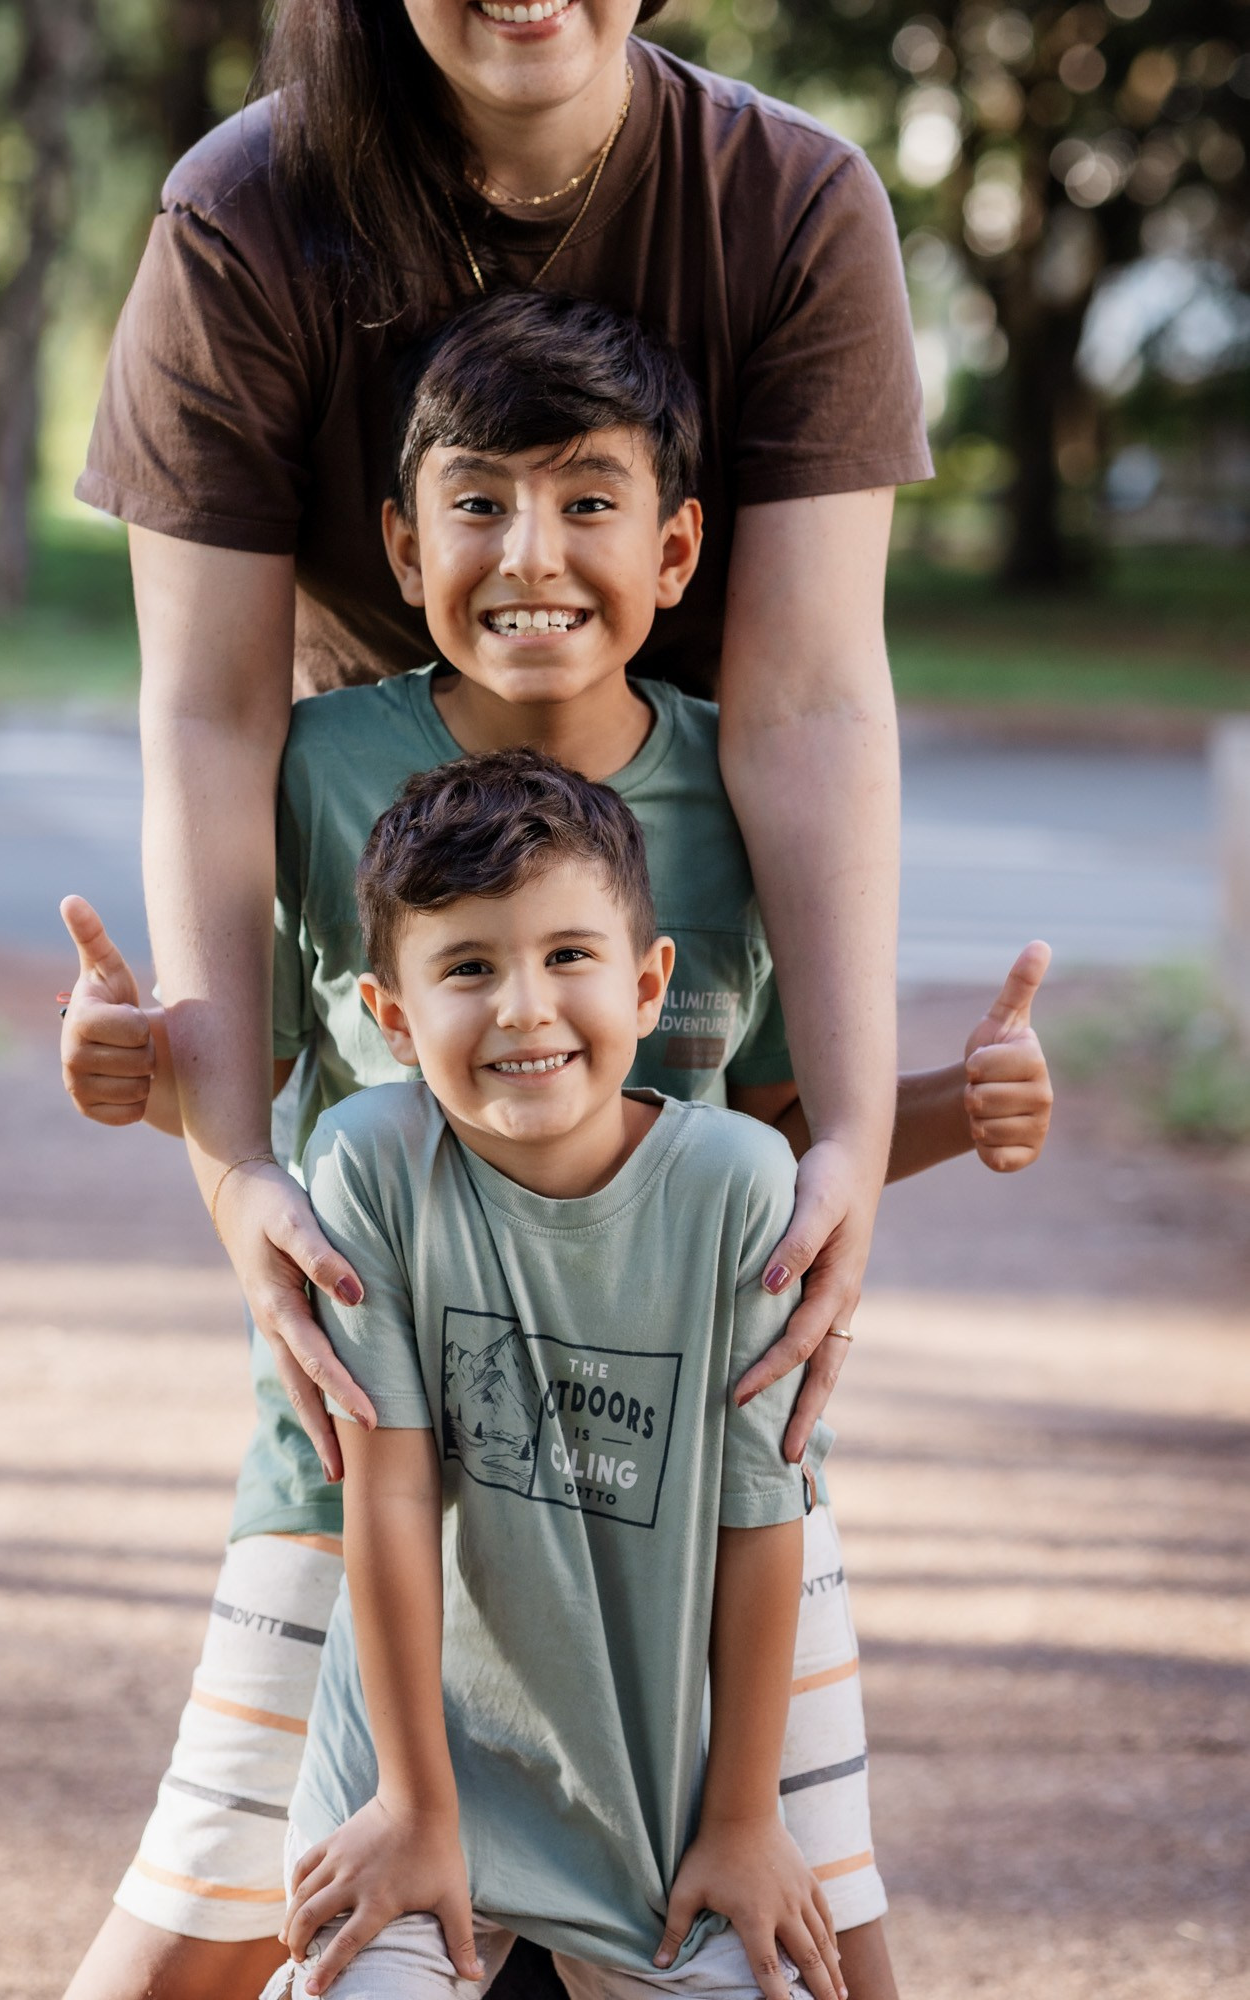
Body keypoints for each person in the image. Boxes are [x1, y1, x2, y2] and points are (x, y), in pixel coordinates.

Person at [66, 0, 935, 2000]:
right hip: (415, 1004)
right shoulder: (249, 215)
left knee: (792, 1883)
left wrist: (852, 1125)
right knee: (246, 1868)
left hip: (647, 1024)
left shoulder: (786, 204)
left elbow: (815, 693)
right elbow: (209, 711)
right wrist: (236, 1164)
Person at [62, 294, 1055, 2000]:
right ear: (398, 537)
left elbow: (732, 1144)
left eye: (587, 499)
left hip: (682, 1474)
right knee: (209, 1911)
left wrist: (950, 1112)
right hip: (351, 1445)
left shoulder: (733, 796)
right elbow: (277, 1079)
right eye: (479, 501)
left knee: (818, 1924)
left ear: (674, 548)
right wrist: (133, 1067)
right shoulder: (325, 772)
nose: (533, 551)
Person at [275, 748, 850, 2000]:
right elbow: (381, 1494)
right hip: (413, 1776)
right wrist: (416, 1806)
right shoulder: (369, 1162)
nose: (524, 1007)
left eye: (568, 956)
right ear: (391, 1015)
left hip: (657, 1796)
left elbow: (760, 1518)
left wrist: (745, 1820)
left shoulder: (740, 1187)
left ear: (651, 985)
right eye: (468, 966)